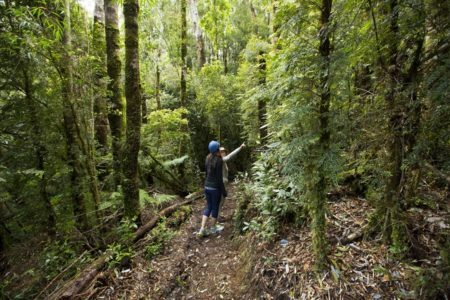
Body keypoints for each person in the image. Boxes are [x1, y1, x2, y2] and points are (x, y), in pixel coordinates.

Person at [197, 140, 227, 237]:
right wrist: (224, 191)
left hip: (207, 186)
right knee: (214, 207)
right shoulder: (219, 161)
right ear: (217, 150)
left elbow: (206, 173)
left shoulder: (207, 158)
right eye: (219, 148)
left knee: (208, 206)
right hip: (215, 188)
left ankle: (202, 229)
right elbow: (219, 178)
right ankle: (213, 228)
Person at [218, 143, 245, 218]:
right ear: (218, 153)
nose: (223, 153)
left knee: (221, 200)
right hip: (221, 183)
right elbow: (230, 155)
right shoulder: (222, 160)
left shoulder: (222, 160)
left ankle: (218, 215)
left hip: (222, 183)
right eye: (221, 152)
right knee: (221, 200)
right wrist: (240, 148)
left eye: (224, 151)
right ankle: (217, 216)